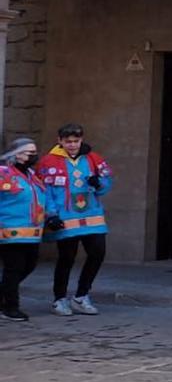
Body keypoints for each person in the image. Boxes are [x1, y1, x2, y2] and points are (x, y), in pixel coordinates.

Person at [38, 124, 110, 316]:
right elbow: (45, 191)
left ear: (81, 139)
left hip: (92, 215)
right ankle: (59, 299)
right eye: (68, 141)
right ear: (60, 141)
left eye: (76, 141)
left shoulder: (93, 158)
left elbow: (106, 184)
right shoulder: (48, 161)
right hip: (66, 217)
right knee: (66, 258)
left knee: (98, 253)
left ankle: (81, 296)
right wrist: (51, 215)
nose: (72, 145)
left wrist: (99, 184)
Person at [0, 137, 49, 323]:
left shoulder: (31, 175)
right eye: (30, 152)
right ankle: (11, 307)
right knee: (14, 269)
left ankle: (3, 295)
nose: (34, 155)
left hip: (32, 232)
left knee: (29, 265)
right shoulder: (4, 173)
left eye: (35, 152)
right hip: (9, 231)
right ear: (17, 154)